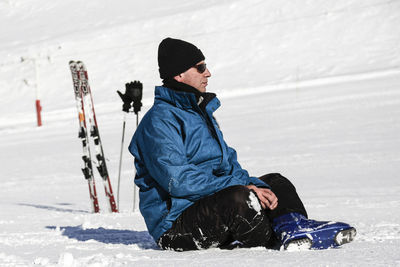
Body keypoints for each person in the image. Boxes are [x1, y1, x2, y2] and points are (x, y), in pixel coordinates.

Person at [128, 37, 356, 251]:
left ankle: (293, 228)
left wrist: (255, 186)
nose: (208, 73)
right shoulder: (158, 122)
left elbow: (229, 166)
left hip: (211, 205)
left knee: (274, 182)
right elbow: (177, 181)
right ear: (178, 74)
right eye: (200, 67)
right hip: (176, 225)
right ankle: (280, 239)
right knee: (239, 198)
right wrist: (244, 189)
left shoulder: (200, 113)